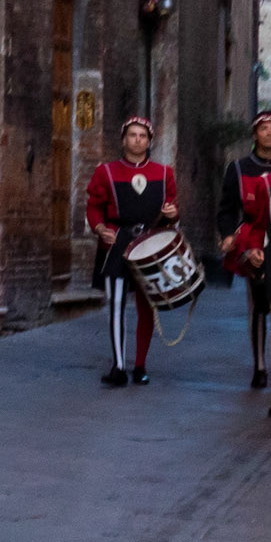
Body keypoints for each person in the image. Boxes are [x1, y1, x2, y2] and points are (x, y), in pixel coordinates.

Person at [85, 115, 178, 387]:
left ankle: (140, 365)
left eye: (142, 136)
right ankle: (118, 366)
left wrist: (172, 213)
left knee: (147, 306)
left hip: (151, 244)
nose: (137, 140)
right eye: (132, 135)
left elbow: (173, 210)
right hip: (117, 242)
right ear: (123, 139)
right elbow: (94, 206)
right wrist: (99, 227)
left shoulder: (164, 173)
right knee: (116, 305)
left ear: (149, 141)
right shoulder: (106, 172)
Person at [217, 111, 271, 388]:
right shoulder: (239, 168)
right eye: (263, 128)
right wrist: (228, 235)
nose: (269, 133)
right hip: (253, 238)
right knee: (257, 304)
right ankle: (260, 365)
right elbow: (227, 209)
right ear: (255, 134)